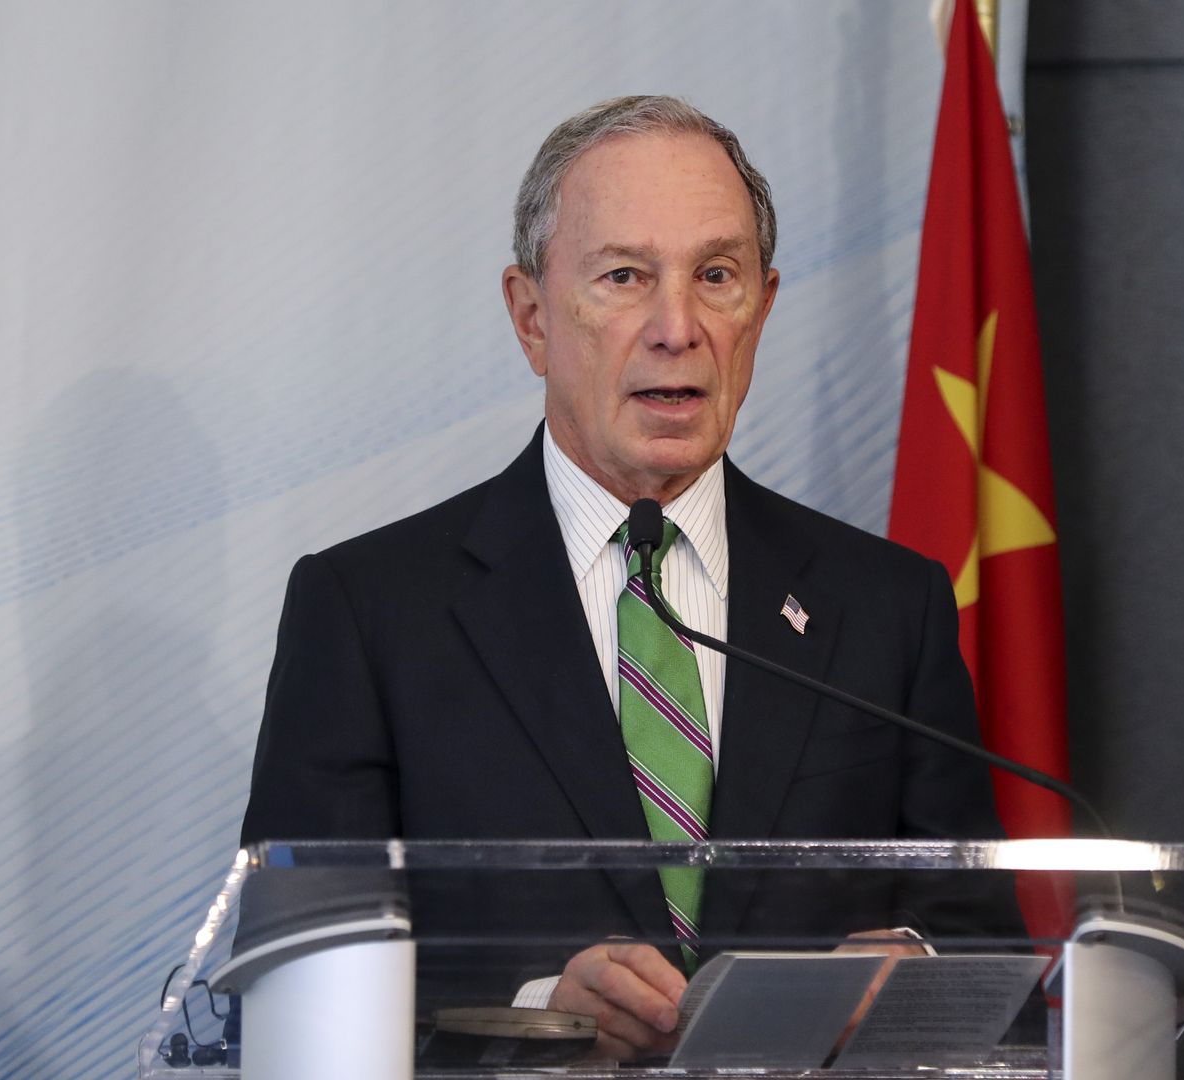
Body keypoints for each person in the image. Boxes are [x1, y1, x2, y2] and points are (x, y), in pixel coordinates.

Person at [239, 95, 1012, 1060]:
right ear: (531, 317)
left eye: (716, 275)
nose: (676, 326)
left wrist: (911, 961)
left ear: (762, 309)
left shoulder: (887, 607)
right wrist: (535, 1007)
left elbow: (985, 939)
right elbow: (292, 975)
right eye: (624, 277)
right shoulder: (369, 613)